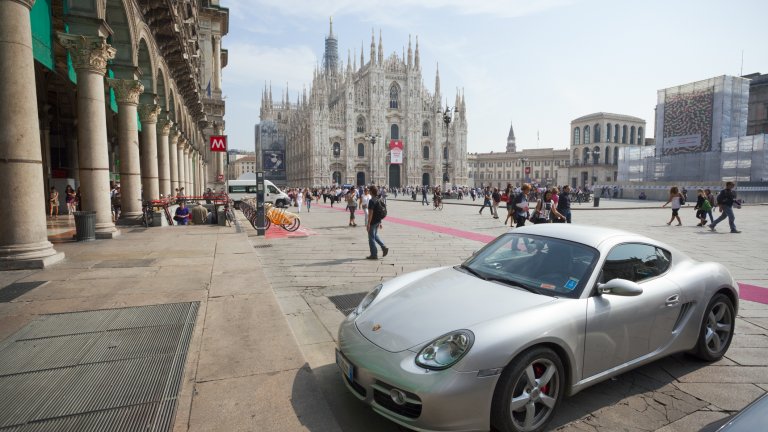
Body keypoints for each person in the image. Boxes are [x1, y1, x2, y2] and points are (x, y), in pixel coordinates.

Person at [366, 185, 388, 260]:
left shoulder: (371, 201)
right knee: (375, 235)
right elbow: (379, 212)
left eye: (369, 190)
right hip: (377, 221)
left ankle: (374, 254)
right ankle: (383, 247)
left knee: (371, 238)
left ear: (371, 192)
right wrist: (380, 222)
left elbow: (370, 213)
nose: (368, 191)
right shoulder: (378, 199)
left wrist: (368, 223)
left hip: (373, 222)